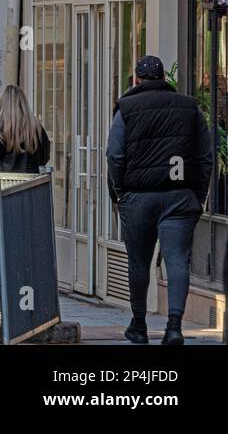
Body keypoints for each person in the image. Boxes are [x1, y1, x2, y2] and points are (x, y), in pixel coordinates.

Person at [107, 55, 214, 346]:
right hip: (180, 198)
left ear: (137, 80)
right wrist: (197, 195)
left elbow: (115, 155)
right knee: (178, 261)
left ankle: (139, 326)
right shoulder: (189, 106)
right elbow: (205, 157)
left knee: (138, 263)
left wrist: (120, 193)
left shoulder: (126, 109)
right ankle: (174, 327)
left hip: (138, 197)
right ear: (164, 78)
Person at [0, 85, 50, 172]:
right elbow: (44, 158)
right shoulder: (37, 130)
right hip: (30, 183)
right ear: (24, 104)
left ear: (2, 105)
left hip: (2, 183)